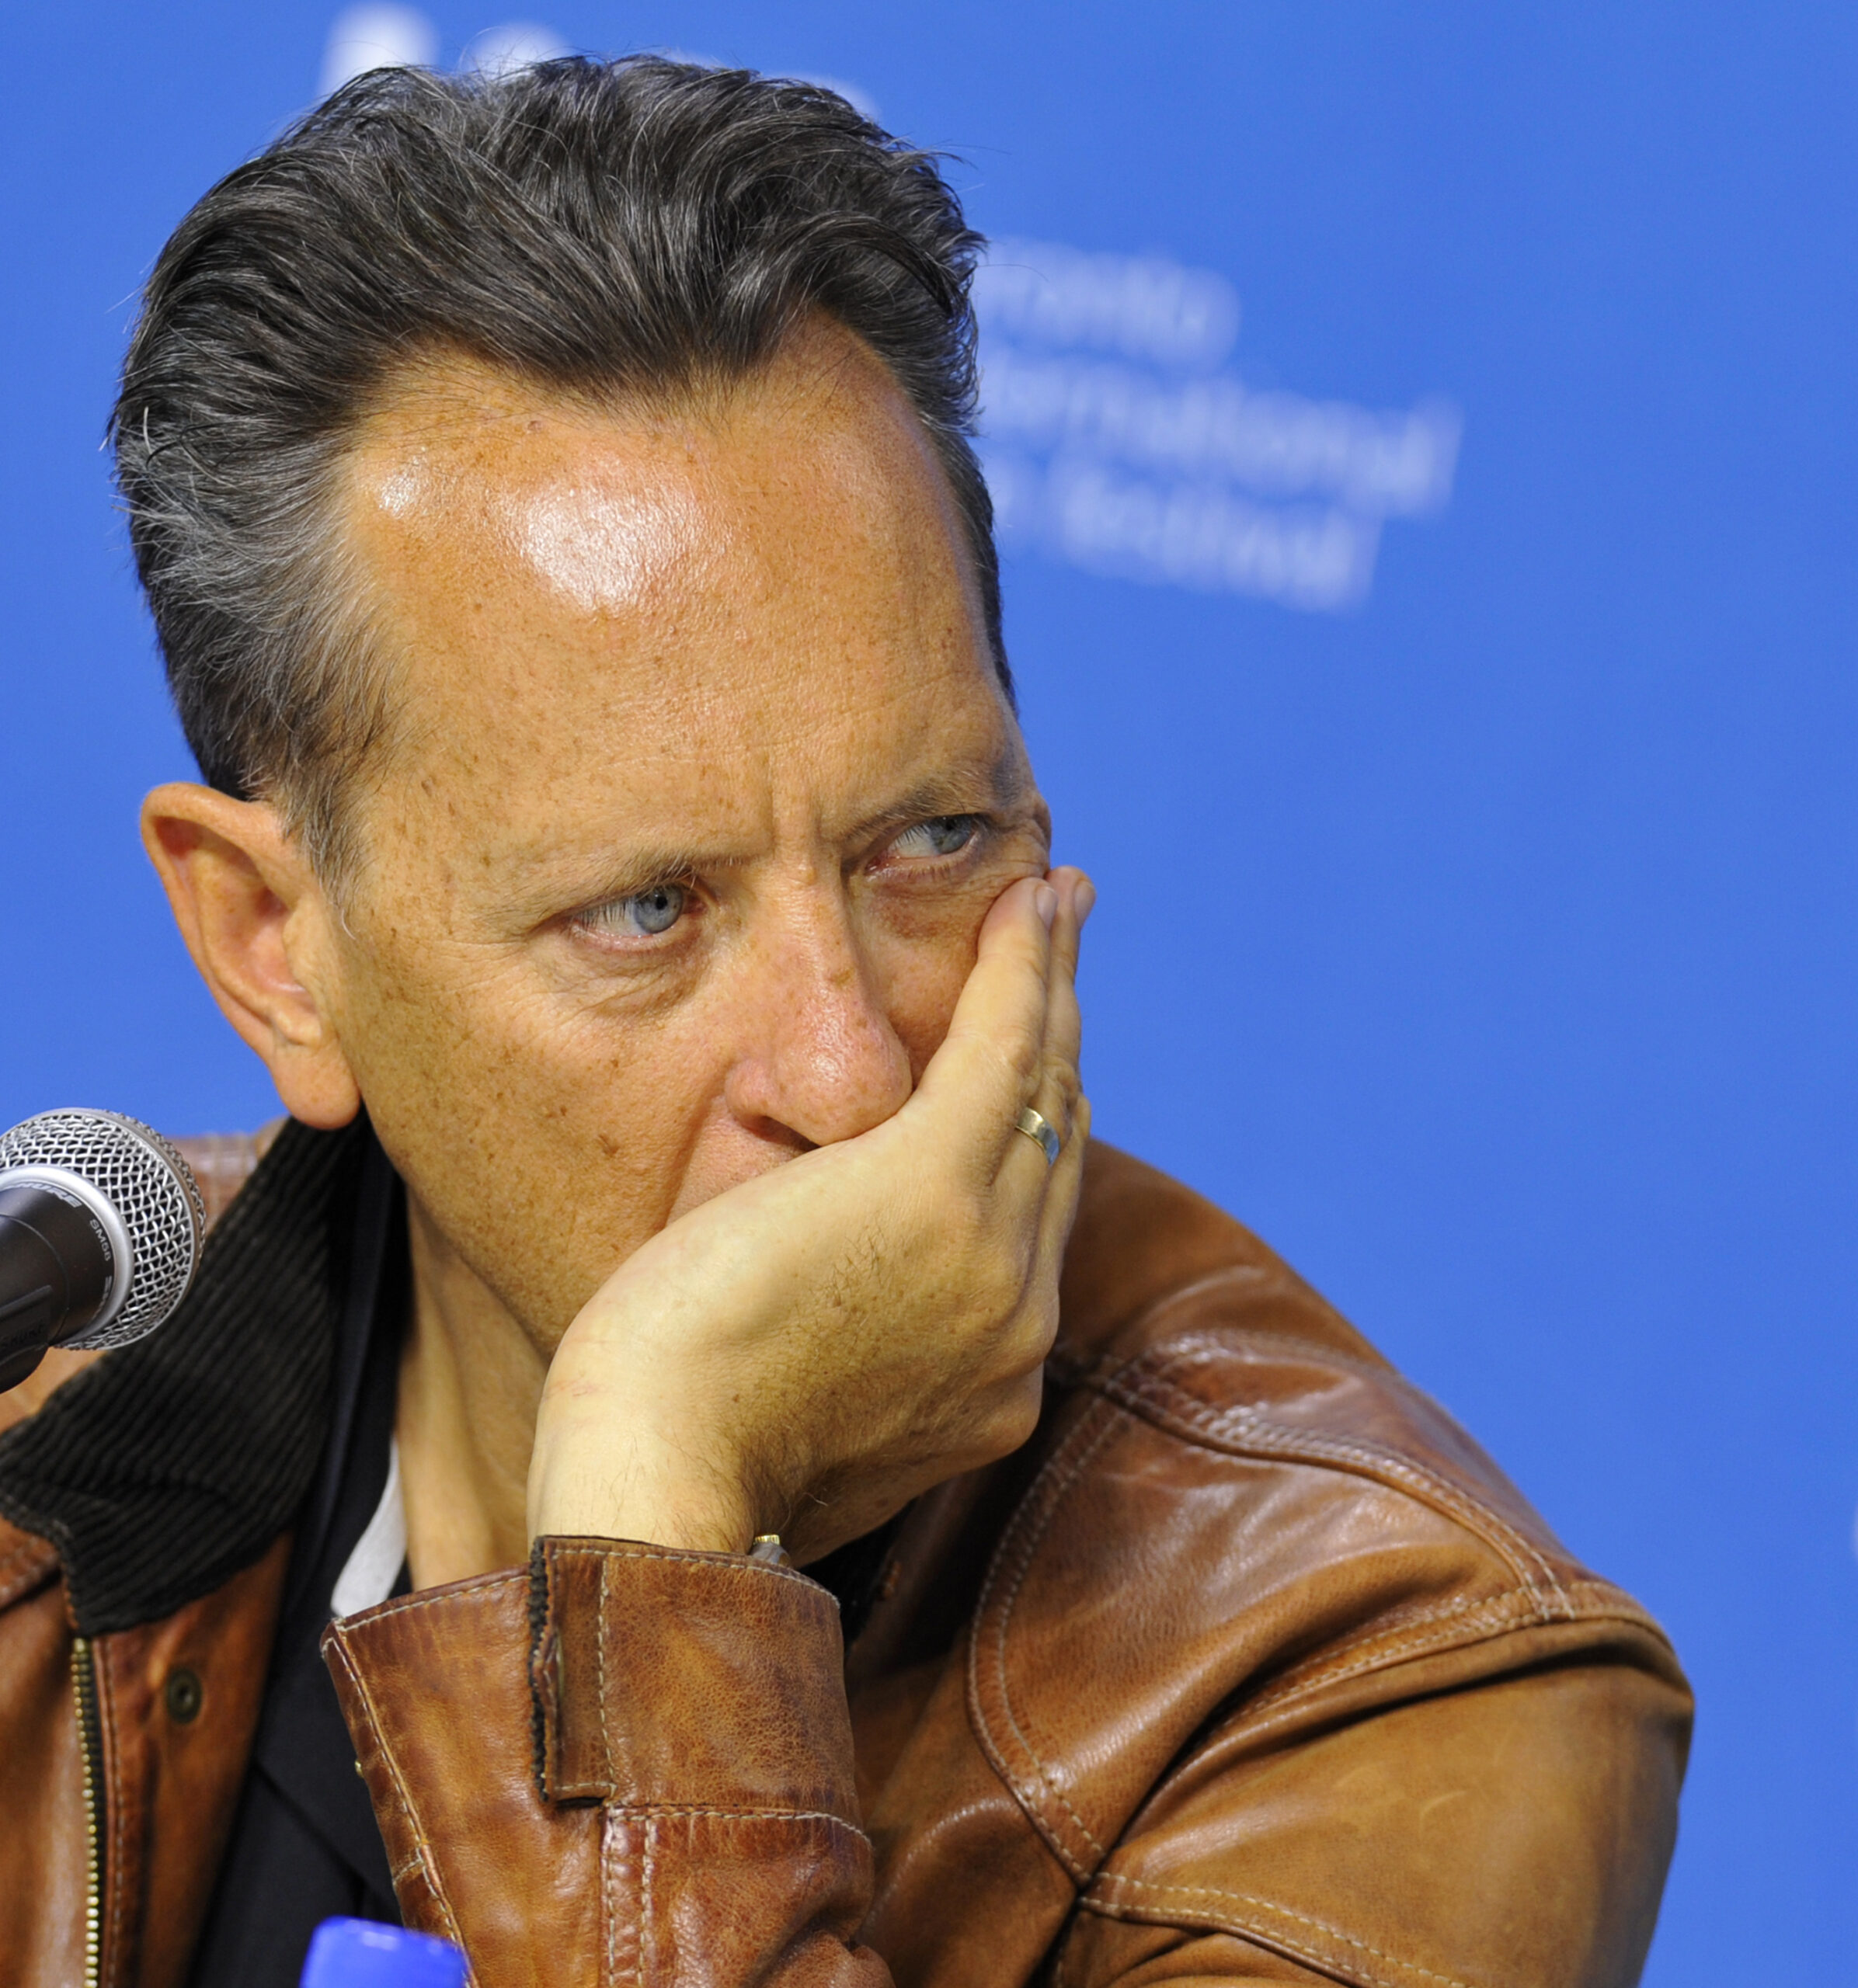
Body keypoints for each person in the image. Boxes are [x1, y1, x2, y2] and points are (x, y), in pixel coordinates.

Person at [0, 57, 1689, 1988]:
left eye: (933, 839)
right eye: (646, 908)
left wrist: (651, 1520)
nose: (852, 1069)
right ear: (276, 945)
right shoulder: (40, 1401)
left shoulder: (1384, 1684)